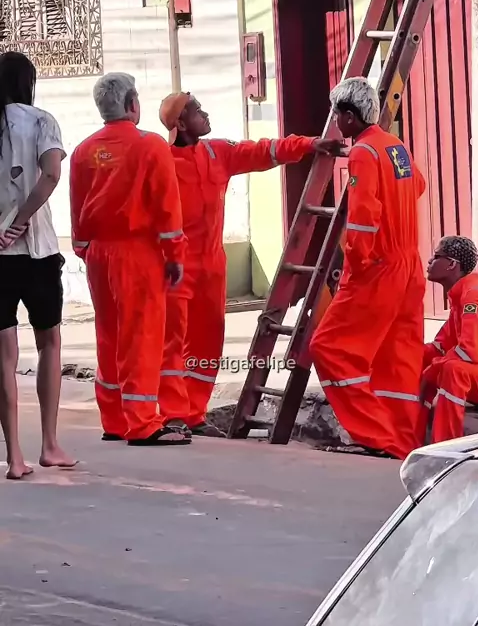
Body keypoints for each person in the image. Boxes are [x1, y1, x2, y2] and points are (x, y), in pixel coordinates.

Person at [157, 91, 344, 437]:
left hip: (212, 266)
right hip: (174, 267)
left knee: (208, 342)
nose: (205, 114)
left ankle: (194, 413)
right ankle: (172, 413)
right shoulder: (161, 162)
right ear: (180, 124)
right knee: (172, 343)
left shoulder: (217, 152)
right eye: (197, 110)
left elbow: (262, 151)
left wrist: (308, 144)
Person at [69, 72, 190, 446]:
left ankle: (114, 419)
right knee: (141, 336)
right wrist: (175, 255)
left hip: (98, 254)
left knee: (108, 335)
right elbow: (167, 207)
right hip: (138, 253)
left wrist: (85, 249)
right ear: (132, 104)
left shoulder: (84, 150)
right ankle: (142, 422)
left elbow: (77, 208)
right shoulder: (150, 146)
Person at [309, 76, 426, 461]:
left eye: (336, 114)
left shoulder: (362, 153)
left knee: (329, 348)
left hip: (377, 267)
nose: (334, 121)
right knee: (397, 360)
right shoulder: (395, 146)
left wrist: (356, 267)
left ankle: (376, 437)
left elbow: (362, 218)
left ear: (349, 115)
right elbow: (418, 185)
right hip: (409, 266)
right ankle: (403, 443)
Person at [0, 51, 75, 480]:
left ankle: (14, 457)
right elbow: (51, 175)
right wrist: (22, 219)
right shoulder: (43, 121)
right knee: (49, 343)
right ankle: (49, 444)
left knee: (4, 356)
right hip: (37, 251)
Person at [417, 236, 478, 445]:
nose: (429, 261)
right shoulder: (459, 295)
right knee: (417, 358)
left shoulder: (473, 295)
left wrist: (434, 368)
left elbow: (470, 351)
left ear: (452, 264)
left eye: (436, 256)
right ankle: (410, 437)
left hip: (473, 367)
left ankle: (445, 446)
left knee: (453, 370)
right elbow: (441, 346)